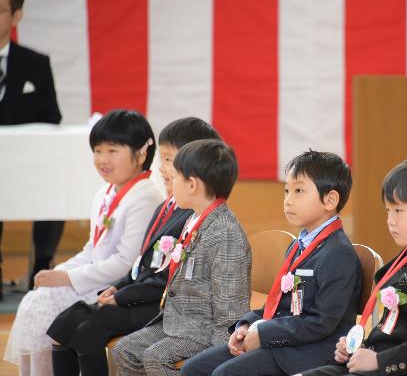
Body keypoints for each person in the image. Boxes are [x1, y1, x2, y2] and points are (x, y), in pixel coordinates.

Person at [46, 117, 221, 376]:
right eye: (162, 159)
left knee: (88, 330)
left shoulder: (192, 217)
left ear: (195, 165)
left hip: (160, 306)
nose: (162, 168)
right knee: (65, 322)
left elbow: (167, 279)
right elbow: (142, 262)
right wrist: (119, 286)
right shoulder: (166, 207)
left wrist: (121, 297)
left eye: (170, 160)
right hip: (140, 294)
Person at [3, 109, 163, 376]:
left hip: (116, 287)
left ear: (141, 154)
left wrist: (68, 279)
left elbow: (125, 263)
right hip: (94, 279)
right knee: (35, 300)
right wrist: (60, 272)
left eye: (112, 151)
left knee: (41, 305)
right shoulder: (105, 192)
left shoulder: (145, 197)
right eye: (97, 151)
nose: (102, 159)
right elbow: (93, 248)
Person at [180, 150, 363, 376]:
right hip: (284, 339)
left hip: (309, 350)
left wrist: (265, 333)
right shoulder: (298, 246)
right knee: (193, 369)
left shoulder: (338, 253)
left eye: (299, 191)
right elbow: (278, 304)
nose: (288, 200)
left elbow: (321, 323)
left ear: (330, 200)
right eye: (286, 191)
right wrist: (246, 326)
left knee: (226, 374)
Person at [296, 156, 407, 376]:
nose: (390, 220)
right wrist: (358, 349)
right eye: (388, 211)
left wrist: (380, 360)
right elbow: (392, 326)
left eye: (399, 211)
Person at [112, 139, 252, 376]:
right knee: (125, 350)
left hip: (204, 332)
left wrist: (219, 359)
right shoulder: (194, 219)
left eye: (175, 177)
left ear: (192, 185)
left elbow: (230, 313)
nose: (170, 182)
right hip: (177, 322)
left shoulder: (225, 234)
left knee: (157, 357)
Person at [0, 0, 65, 296]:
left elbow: (52, 117)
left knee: (55, 182)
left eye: (0, 10)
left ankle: (42, 266)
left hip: (27, 165)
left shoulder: (35, 64)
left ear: (16, 15)